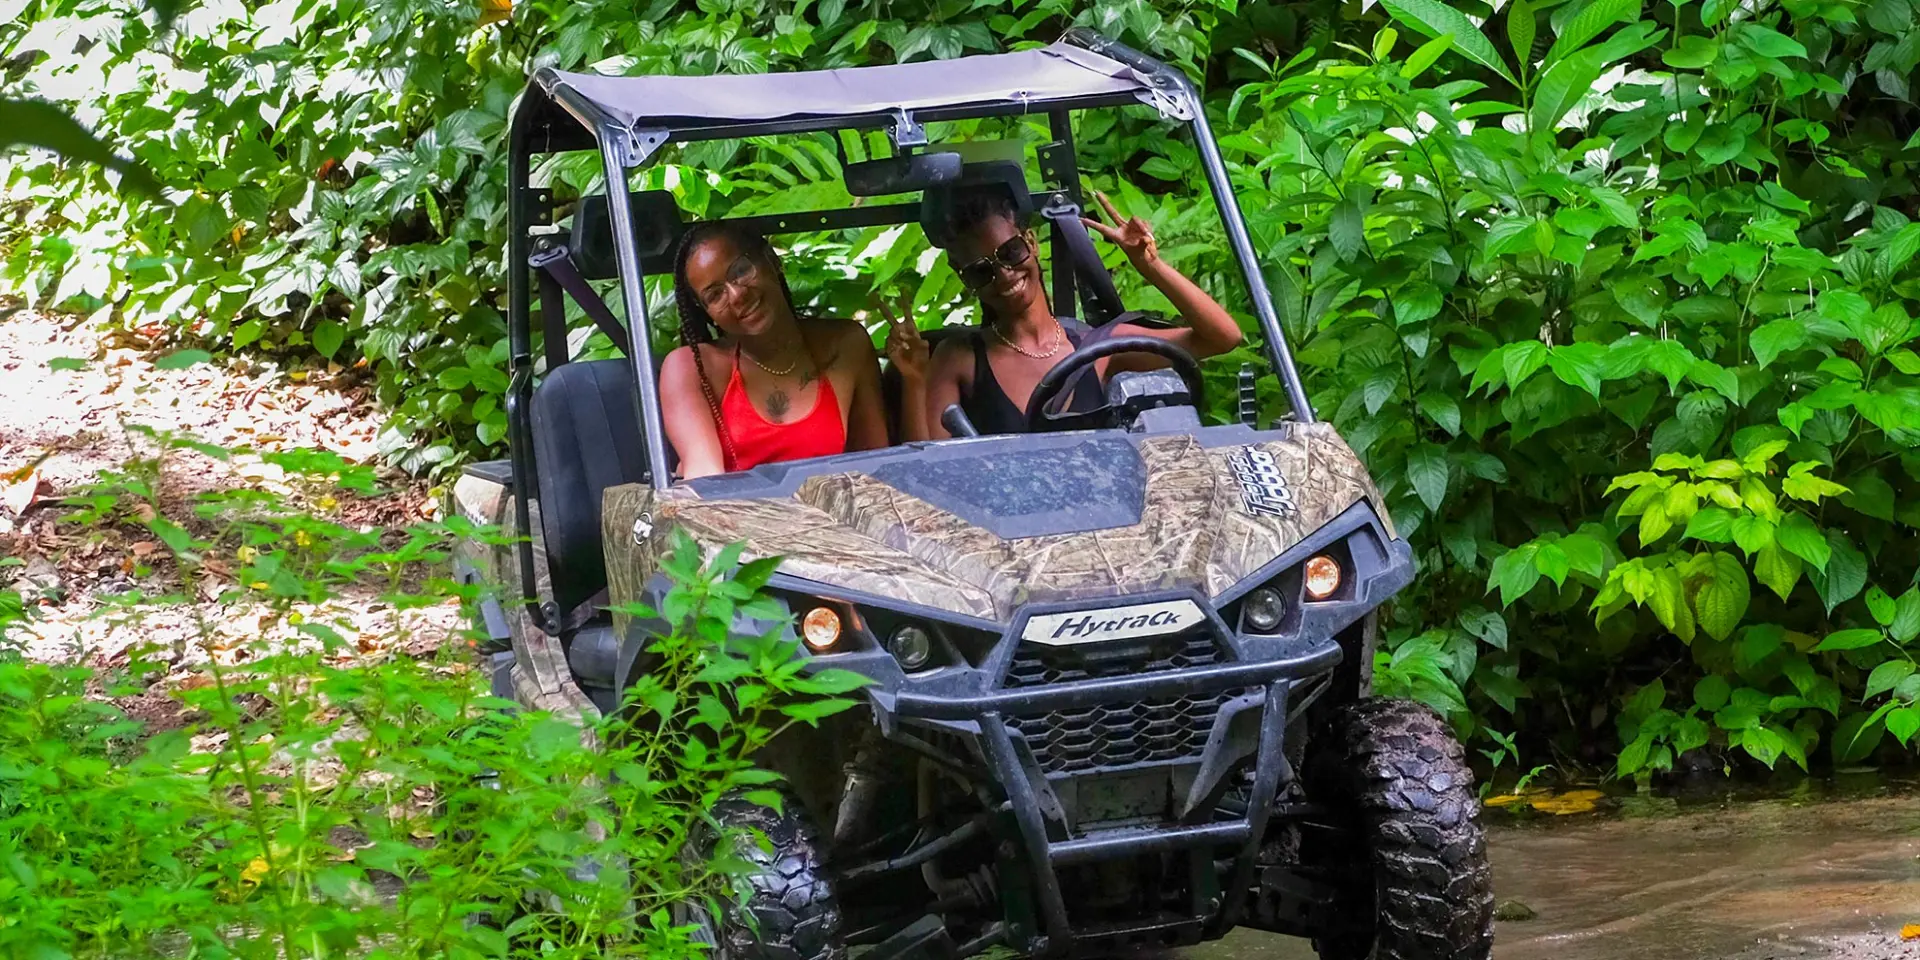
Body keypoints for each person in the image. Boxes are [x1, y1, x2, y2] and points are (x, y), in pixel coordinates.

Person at [885, 187, 1243, 440]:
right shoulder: (961, 358)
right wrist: (914, 380)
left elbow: (1222, 338)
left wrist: (1150, 266)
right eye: (981, 271)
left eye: (1010, 252)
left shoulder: (1098, 347)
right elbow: (927, 468)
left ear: (1031, 243)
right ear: (966, 279)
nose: (1005, 275)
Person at [659, 223, 889, 478]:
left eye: (741, 271)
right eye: (715, 295)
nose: (736, 295)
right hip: (734, 504)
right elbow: (704, 477)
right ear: (708, 313)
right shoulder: (691, 368)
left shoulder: (845, 344)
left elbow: (877, 465)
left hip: (832, 502)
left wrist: (915, 381)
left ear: (772, 260)